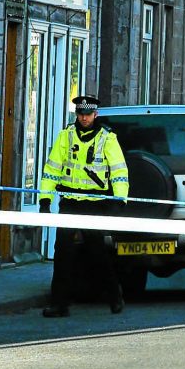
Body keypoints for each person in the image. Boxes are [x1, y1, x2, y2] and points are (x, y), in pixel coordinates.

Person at [39, 95, 129, 318]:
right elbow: (52, 168)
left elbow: (119, 171)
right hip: (69, 201)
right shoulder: (66, 136)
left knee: (96, 252)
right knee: (63, 253)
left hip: (94, 203)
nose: (84, 118)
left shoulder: (107, 139)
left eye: (88, 114)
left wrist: (120, 200)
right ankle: (59, 304)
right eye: (81, 114)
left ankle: (114, 295)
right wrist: (44, 199)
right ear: (77, 114)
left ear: (95, 114)